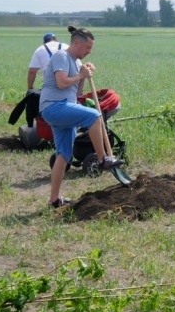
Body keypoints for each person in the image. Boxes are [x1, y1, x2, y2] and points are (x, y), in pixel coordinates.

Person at [39, 26, 122, 209]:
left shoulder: (76, 63)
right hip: (54, 106)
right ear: (76, 43)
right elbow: (61, 83)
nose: (88, 52)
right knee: (94, 116)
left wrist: (83, 75)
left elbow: (76, 91)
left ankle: (54, 199)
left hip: (65, 107)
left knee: (64, 155)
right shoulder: (61, 56)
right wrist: (80, 74)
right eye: (87, 48)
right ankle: (103, 159)